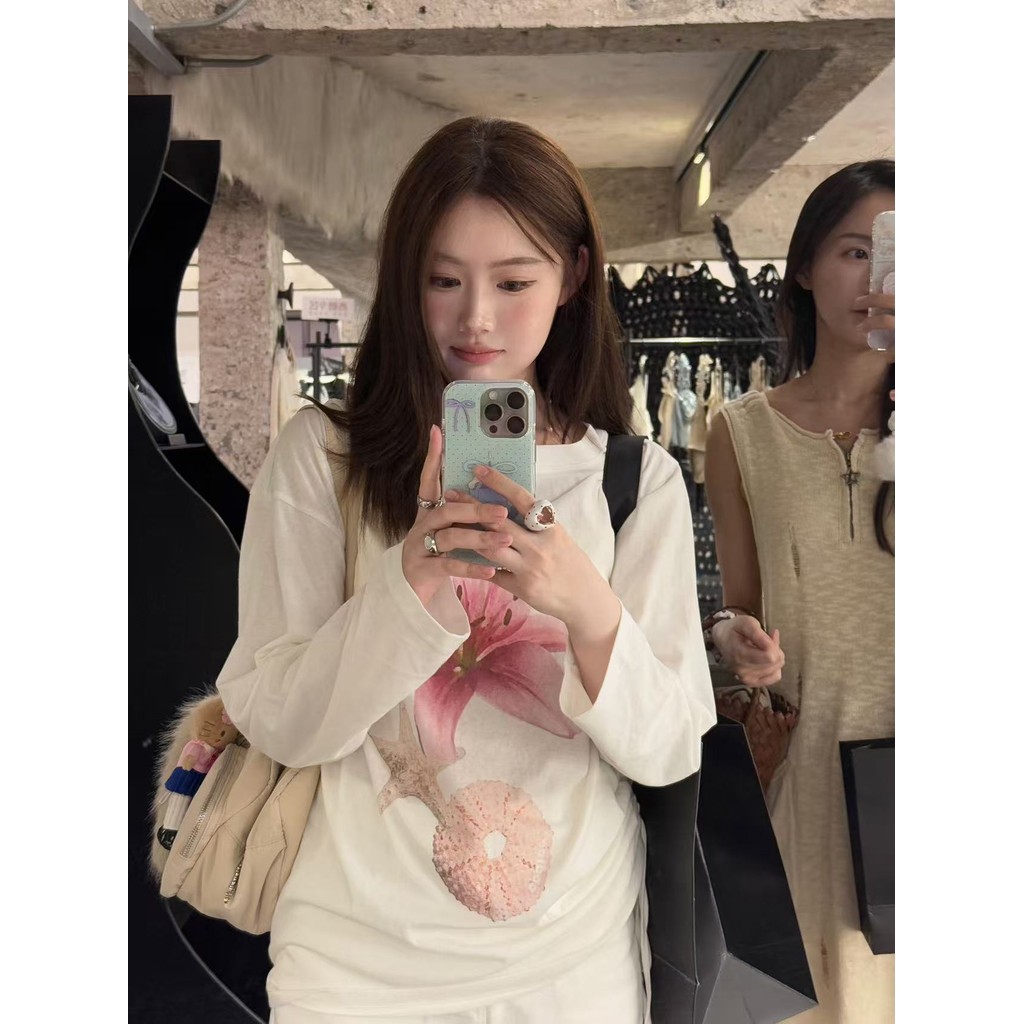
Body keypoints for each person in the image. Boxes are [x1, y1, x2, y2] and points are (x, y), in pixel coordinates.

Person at [216, 117, 715, 1024]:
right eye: (442, 279)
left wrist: (589, 611)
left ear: (573, 275)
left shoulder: (636, 483)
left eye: (514, 282)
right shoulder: (324, 459)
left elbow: (671, 747)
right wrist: (409, 588)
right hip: (352, 970)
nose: (476, 318)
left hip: (572, 965)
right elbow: (281, 721)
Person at [704, 159, 895, 1023]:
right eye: (856, 251)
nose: (877, 279)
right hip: (804, 773)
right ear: (807, 266)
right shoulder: (741, 432)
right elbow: (737, 604)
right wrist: (732, 637)